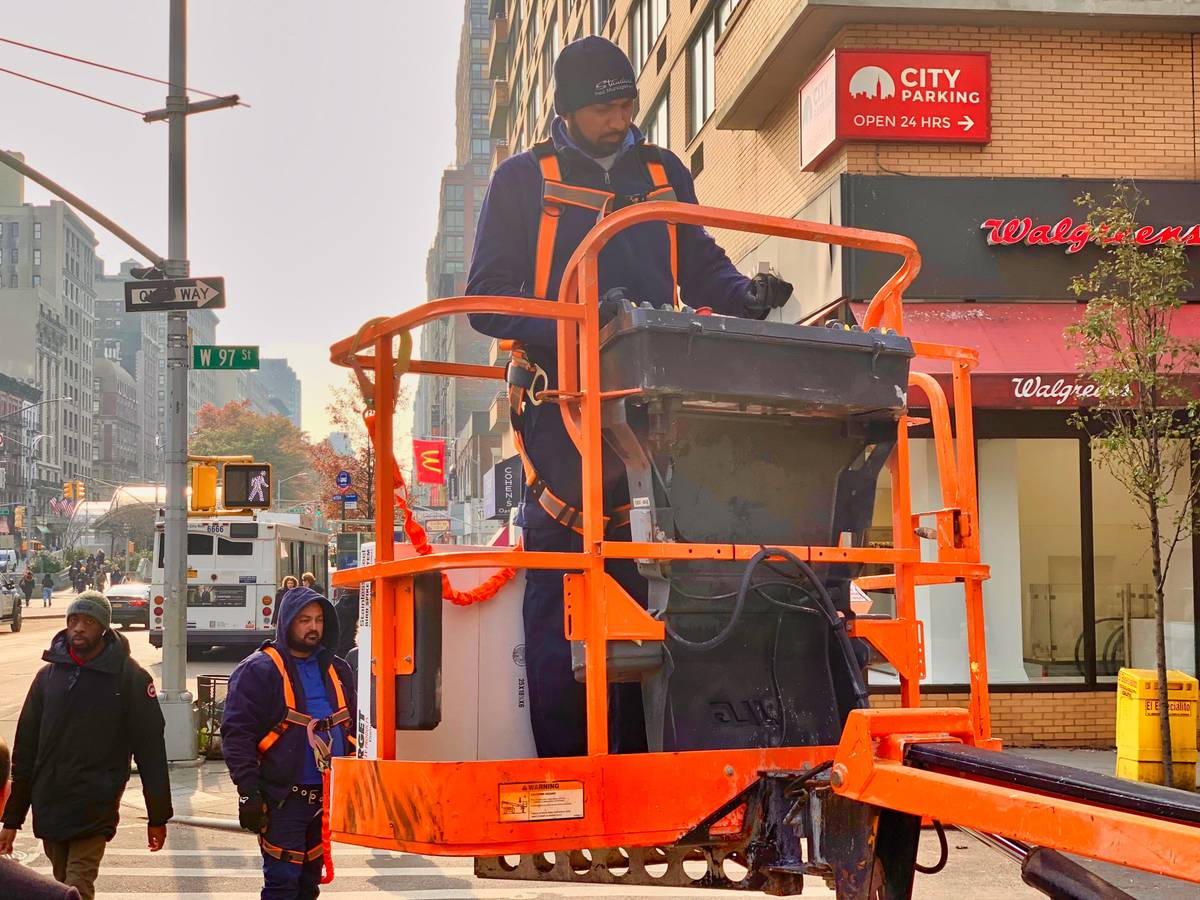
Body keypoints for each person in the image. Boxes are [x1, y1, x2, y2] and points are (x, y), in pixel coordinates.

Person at [467, 36, 792, 758]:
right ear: (569, 109)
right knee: (566, 584)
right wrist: (580, 317)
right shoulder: (526, 180)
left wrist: (745, 296)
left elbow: (697, 256)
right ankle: (571, 766)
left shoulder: (661, 171)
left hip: (657, 407)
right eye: (605, 108)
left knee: (665, 583)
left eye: (627, 104)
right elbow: (486, 301)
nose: (620, 119)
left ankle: (659, 757)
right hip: (564, 411)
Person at [0, 591, 172, 899]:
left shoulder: (130, 677)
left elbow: (151, 752)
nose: (79, 628)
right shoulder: (47, 677)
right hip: (50, 803)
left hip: (95, 806)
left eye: (89, 621)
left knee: (77, 884)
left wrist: (158, 816)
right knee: (61, 884)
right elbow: (25, 751)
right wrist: (12, 819)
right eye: (74, 620)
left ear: (104, 628)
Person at [221, 586, 356, 900]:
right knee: (282, 884)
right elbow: (237, 734)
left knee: (309, 885)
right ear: (286, 623)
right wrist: (248, 793)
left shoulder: (338, 670)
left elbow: (354, 729)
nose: (313, 627)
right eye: (304, 620)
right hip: (283, 800)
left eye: (319, 620)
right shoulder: (258, 670)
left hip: (325, 799)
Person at [0, 737, 82, 899]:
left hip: (52, 814)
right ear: (5, 794)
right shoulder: (51, 896)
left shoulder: (39, 711)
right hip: (94, 812)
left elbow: (24, 762)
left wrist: (12, 822)